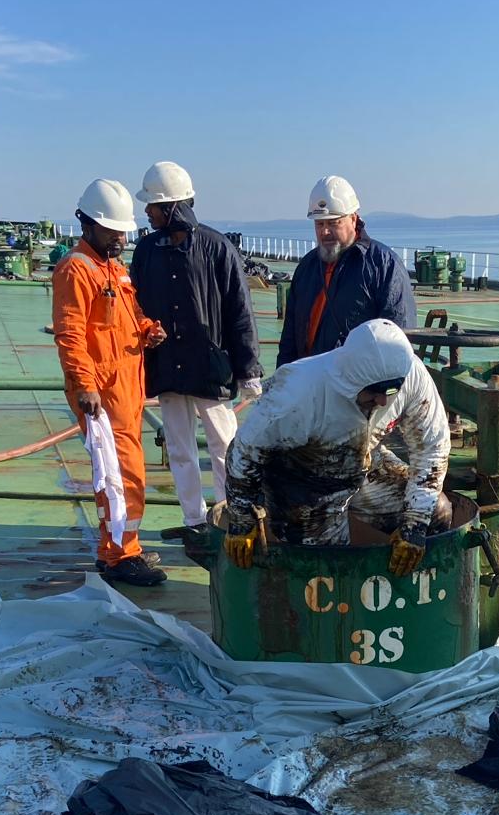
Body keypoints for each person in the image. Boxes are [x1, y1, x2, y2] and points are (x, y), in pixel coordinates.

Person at [224, 318, 449, 577]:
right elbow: (243, 452)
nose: (383, 400)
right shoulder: (296, 393)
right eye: (374, 391)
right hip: (301, 481)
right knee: (327, 566)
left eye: (391, 389)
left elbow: (432, 447)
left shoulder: (411, 375)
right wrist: (242, 518)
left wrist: (415, 523)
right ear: (351, 379)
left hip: (364, 464)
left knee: (436, 512)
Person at [128, 161, 262, 539]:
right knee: (181, 449)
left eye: (153, 206)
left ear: (171, 208)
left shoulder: (217, 249)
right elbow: (134, 304)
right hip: (168, 367)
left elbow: (239, 309)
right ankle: (193, 520)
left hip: (210, 367)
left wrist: (248, 368)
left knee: (225, 447)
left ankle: (229, 518)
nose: (147, 212)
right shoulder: (147, 251)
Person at [52, 178, 168, 586]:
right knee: (121, 476)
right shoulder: (76, 270)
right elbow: (70, 334)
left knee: (123, 472)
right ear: (88, 225)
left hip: (125, 390)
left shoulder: (114, 270)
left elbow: (127, 318)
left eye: (123, 231)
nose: (120, 238)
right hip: (101, 394)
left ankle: (120, 546)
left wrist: (148, 329)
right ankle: (121, 557)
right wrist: (85, 386)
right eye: (112, 230)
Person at [276, 176, 416, 368]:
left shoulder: (383, 265)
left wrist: (379, 391)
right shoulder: (307, 268)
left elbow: (399, 337)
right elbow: (290, 338)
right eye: (320, 224)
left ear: (353, 219)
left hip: (360, 391)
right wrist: (284, 383)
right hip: (311, 386)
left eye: (333, 223)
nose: (325, 232)